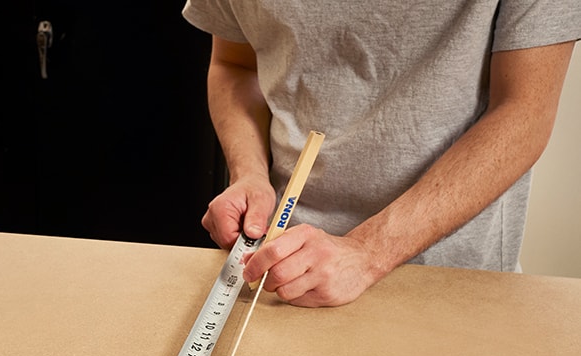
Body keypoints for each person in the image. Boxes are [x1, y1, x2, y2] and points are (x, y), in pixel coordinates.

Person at [181, 1, 581, 307]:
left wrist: (368, 251)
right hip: (283, 266)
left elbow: (525, 111)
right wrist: (249, 172)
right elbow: (236, 64)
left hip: (452, 283)